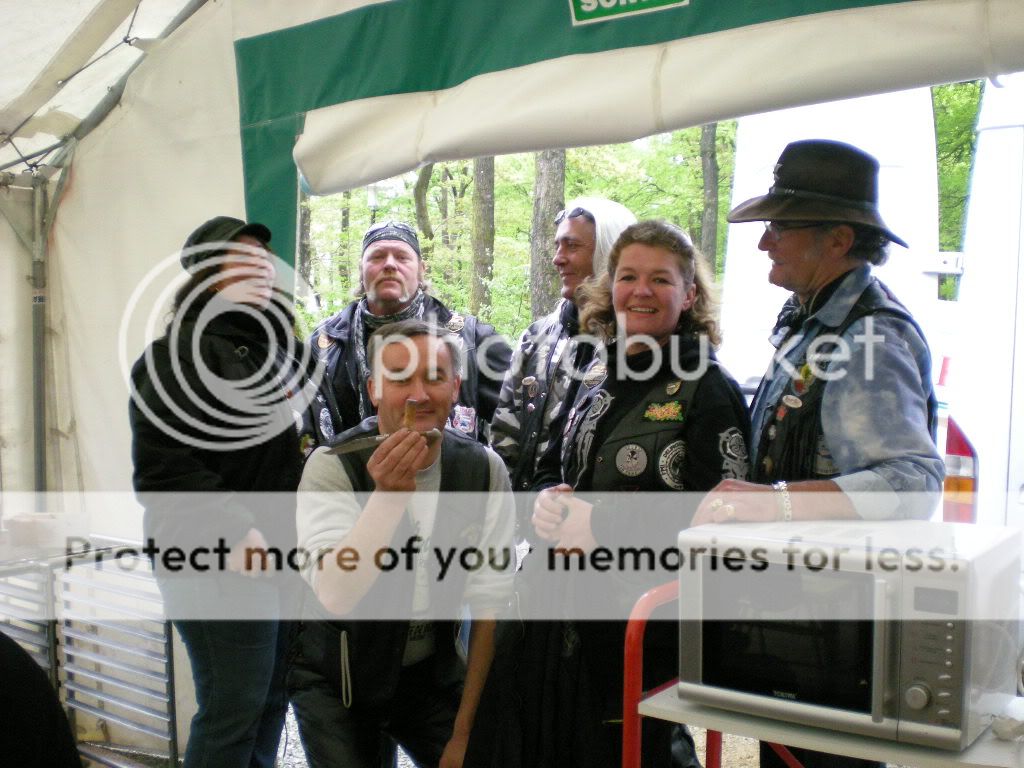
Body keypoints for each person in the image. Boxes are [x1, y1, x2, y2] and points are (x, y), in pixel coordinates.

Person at [690, 139, 944, 768]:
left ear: (837, 239)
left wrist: (772, 505)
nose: (763, 241)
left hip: (843, 637)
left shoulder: (867, 335)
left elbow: (913, 483)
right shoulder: (813, 322)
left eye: (780, 226)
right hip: (801, 623)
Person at [469, 220, 750, 768]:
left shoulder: (709, 390)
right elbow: (551, 465)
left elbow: (725, 527)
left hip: (642, 636)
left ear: (690, 294)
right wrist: (548, 503)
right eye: (628, 276)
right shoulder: (597, 371)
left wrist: (603, 527)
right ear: (610, 285)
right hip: (557, 620)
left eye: (660, 280)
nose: (641, 291)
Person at [129, 216, 316, 768]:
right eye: (242, 259)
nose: (262, 267)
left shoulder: (270, 354)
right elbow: (164, 469)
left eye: (265, 259)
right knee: (235, 705)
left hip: (278, 553)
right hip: (216, 556)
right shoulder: (176, 356)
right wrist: (237, 528)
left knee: (270, 700)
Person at [289, 319, 515, 768]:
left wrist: (465, 734)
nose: (419, 394)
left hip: (429, 672)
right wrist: (388, 499)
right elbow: (336, 593)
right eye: (399, 378)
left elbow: (491, 610)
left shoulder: (482, 472)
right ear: (374, 390)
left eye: (433, 377)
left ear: (455, 387)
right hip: (339, 676)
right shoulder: (332, 467)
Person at [309, 220, 511, 445]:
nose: (389, 265)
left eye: (402, 257)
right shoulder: (323, 347)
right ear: (361, 270)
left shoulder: (473, 339)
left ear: (421, 270)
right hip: (349, 477)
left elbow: (516, 422)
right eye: (377, 257)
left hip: (449, 474)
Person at [490, 197, 636, 497]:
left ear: (608, 252)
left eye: (572, 246)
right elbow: (505, 436)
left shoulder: (636, 345)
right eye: (557, 246)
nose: (558, 258)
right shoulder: (536, 337)